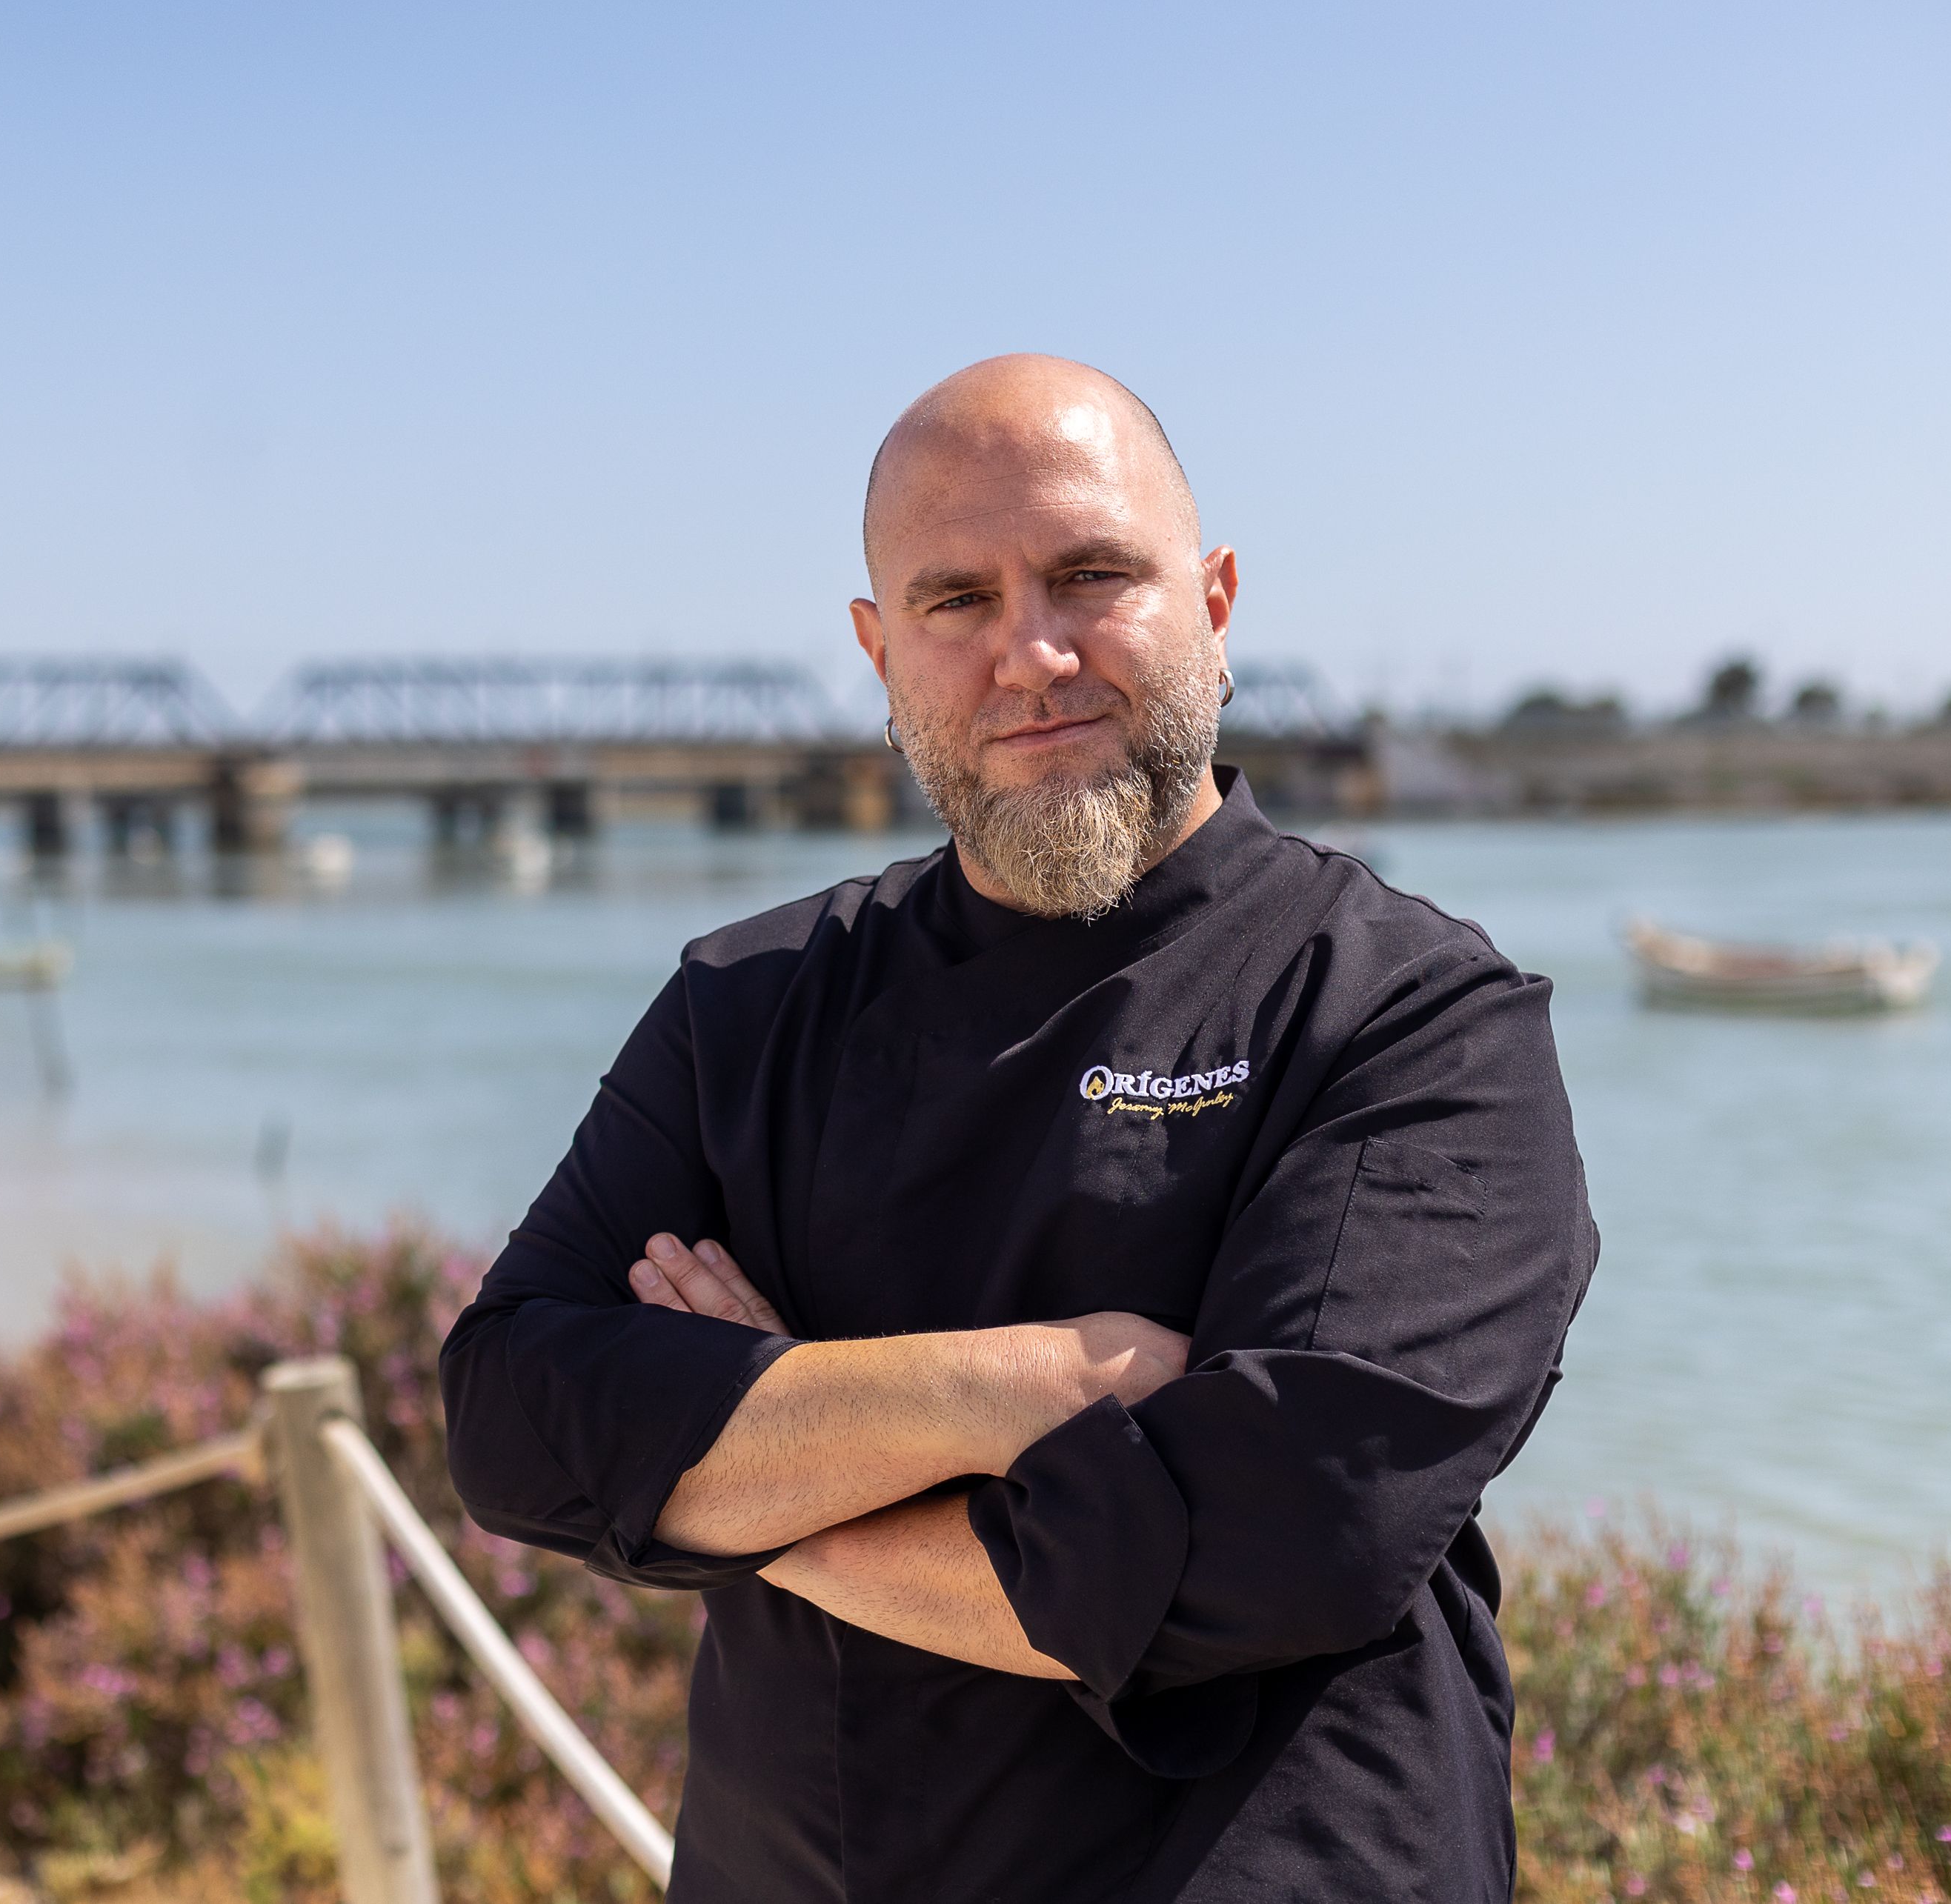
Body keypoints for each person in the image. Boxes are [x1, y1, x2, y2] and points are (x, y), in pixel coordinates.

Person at [440, 353, 1599, 1902]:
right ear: (875, 647)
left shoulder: (1406, 1014)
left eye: (1089, 575)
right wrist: (1030, 1382)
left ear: (1217, 600)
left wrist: (737, 1478)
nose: (1029, 653)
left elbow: (1283, 1529)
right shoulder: (748, 1005)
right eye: (953, 600)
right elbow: (515, 1418)